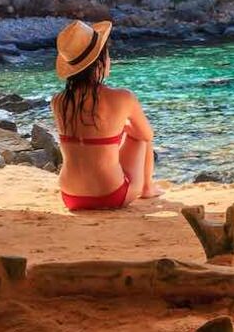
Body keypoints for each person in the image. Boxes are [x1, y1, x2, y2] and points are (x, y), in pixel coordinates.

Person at [51, 19, 162, 210]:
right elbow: (147, 135)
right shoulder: (123, 97)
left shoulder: (58, 101)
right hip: (111, 196)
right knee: (141, 136)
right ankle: (147, 188)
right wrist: (124, 127)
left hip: (70, 197)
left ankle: (145, 187)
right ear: (100, 61)